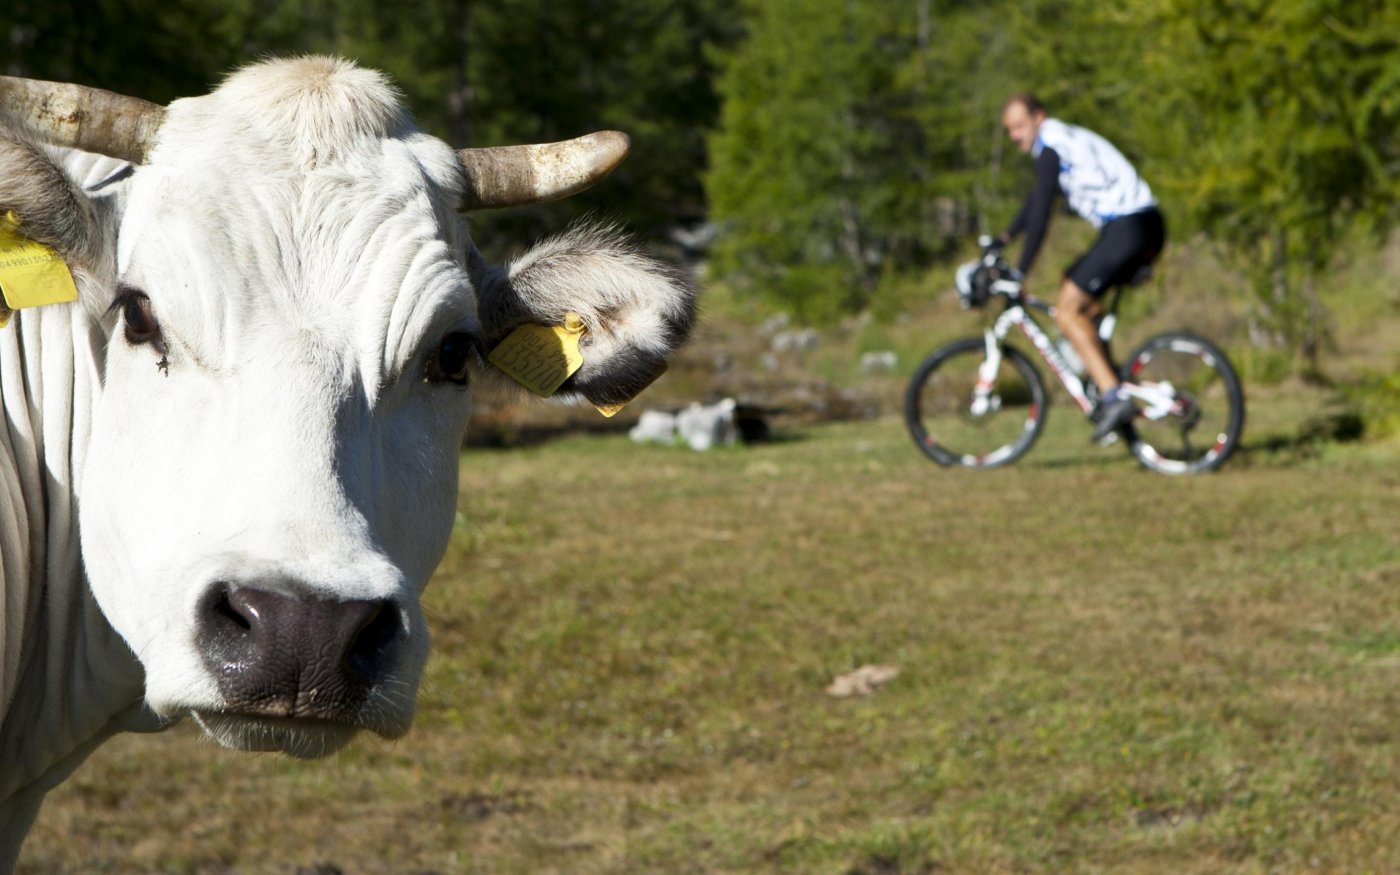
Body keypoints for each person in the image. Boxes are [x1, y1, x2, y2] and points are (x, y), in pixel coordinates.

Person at [991, 93, 1166, 441]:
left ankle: (1112, 395)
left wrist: (1020, 271)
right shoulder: (1060, 142)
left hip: (1129, 226)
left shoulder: (1052, 146)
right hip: (1138, 225)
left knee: (1066, 312)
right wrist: (1005, 237)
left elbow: (1042, 212)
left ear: (1039, 117)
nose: (1014, 136)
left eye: (1019, 126)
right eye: (1009, 129)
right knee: (1072, 284)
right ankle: (1102, 370)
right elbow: (1035, 202)